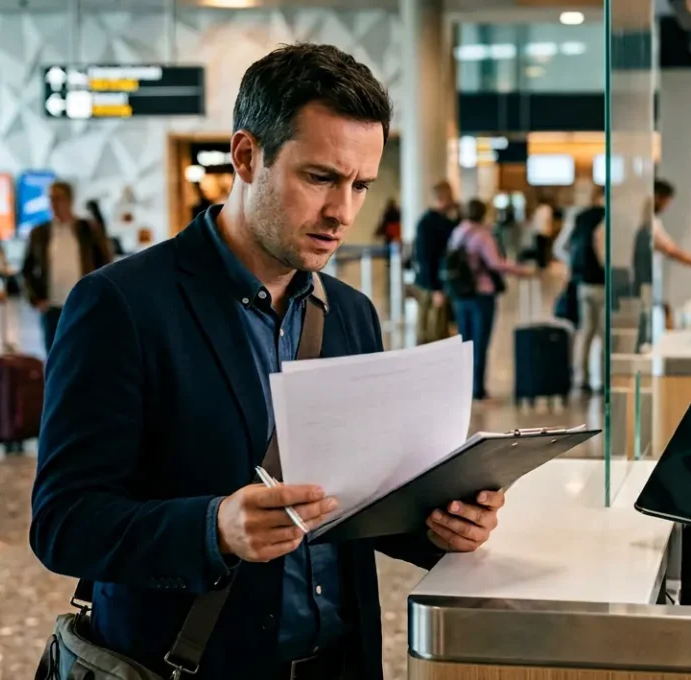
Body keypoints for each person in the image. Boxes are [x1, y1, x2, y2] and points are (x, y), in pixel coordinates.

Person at [29, 44, 506, 680]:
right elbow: (63, 522)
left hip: (340, 663)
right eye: (320, 178)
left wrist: (436, 526)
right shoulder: (122, 305)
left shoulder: (351, 313)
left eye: (360, 185)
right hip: (190, 666)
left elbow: (352, 501)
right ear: (247, 156)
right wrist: (213, 528)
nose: (343, 212)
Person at [447, 198, 533, 401]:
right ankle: (478, 389)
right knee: (480, 342)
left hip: (461, 294)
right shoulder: (483, 235)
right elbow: (495, 263)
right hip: (481, 294)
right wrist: (521, 270)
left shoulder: (458, 232)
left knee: (464, 342)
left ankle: (464, 386)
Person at [21, 181, 113, 353]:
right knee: (54, 356)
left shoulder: (87, 230)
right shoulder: (40, 233)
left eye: (58, 198)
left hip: (83, 306)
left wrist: (99, 298)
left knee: (85, 354)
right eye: (51, 199)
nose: (54, 204)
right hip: (52, 308)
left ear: (70, 200)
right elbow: (27, 269)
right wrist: (35, 298)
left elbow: (105, 263)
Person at [633, 179, 691, 347]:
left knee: (651, 318)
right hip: (645, 281)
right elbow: (671, 250)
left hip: (650, 281)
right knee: (646, 322)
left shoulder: (651, 223)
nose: (668, 206)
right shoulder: (650, 225)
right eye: (667, 201)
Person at [567, 186, 606, 392]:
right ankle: (604, 379)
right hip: (603, 283)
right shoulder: (609, 217)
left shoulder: (581, 217)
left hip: (584, 282)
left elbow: (564, 246)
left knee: (585, 331)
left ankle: (581, 377)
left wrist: (574, 269)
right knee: (604, 334)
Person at [411, 180, 460, 344]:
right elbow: (425, 258)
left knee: (441, 331)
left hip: (439, 283)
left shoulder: (444, 221)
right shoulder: (428, 223)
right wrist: (435, 289)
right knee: (431, 332)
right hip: (430, 285)